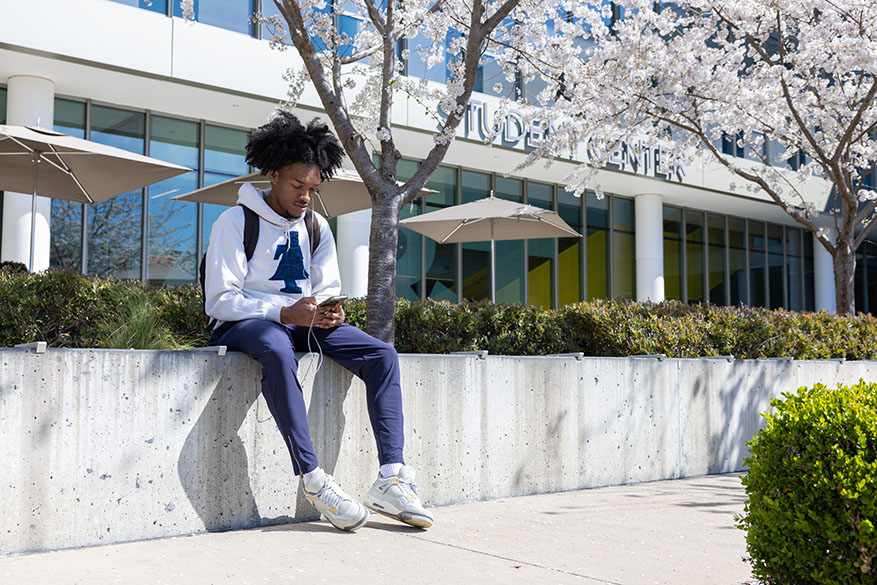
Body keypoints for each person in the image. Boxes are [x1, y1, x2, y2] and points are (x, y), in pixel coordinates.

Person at [203, 111, 433, 532]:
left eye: (313, 187)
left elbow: (326, 287)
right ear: (272, 175)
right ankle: (313, 479)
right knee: (275, 346)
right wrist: (280, 311)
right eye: (297, 185)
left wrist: (331, 312)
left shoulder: (316, 226)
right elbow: (220, 300)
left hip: (300, 321)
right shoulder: (235, 222)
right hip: (246, 322)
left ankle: (391, 477)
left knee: (381, 354)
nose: (306, 195)